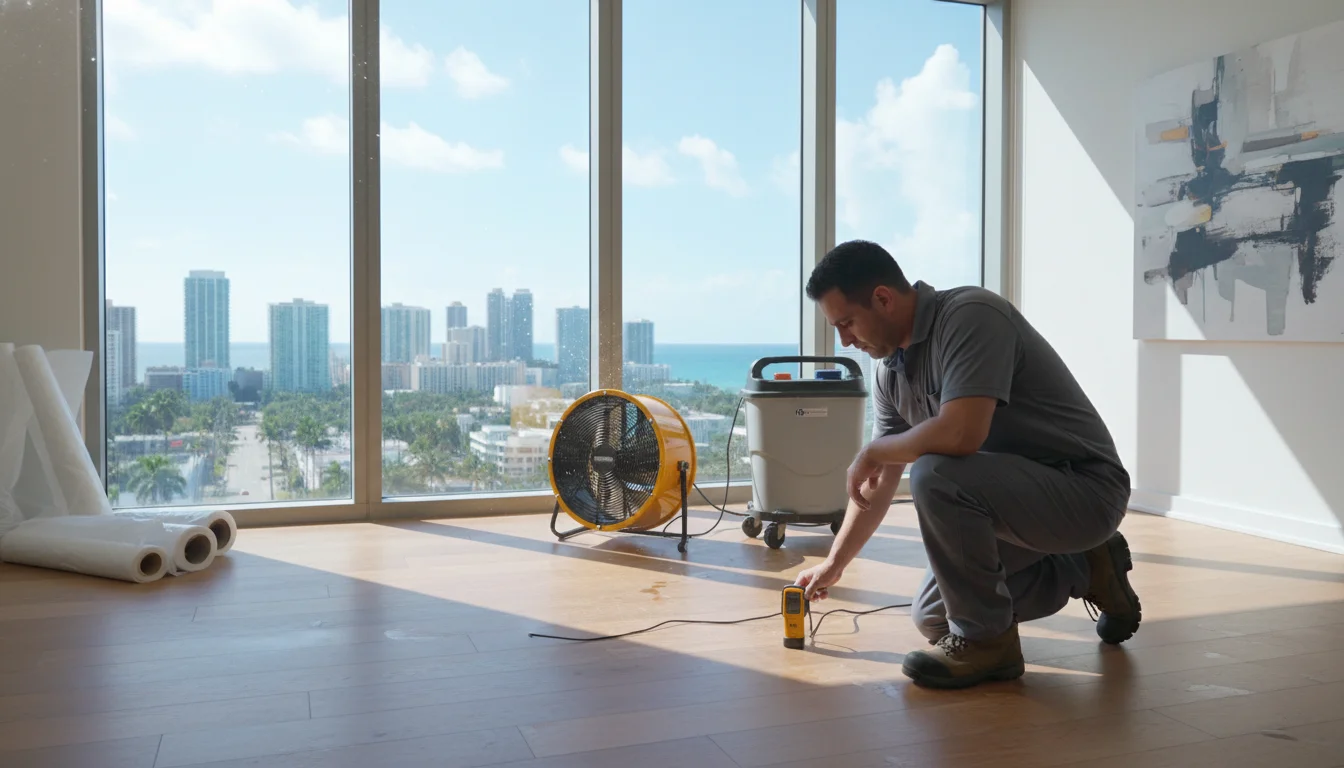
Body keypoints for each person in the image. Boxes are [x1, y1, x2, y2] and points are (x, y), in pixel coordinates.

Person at [792, 240, 1140, 690]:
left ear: (883, 298)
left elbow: (961, 434)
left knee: (935, 474)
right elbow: (878, 482)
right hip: (1010, 507)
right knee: (936, 618)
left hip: (1084, 492)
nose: (845, 340)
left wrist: (876, 450)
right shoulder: (890, 372)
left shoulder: (971, 315)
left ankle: (991, 647)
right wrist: (833, 565)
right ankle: (1086, 567)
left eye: (847, 323)